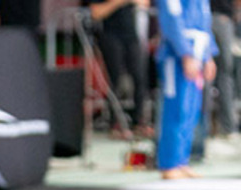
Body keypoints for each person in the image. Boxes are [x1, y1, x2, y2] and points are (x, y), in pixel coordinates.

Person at [156, 0, 218, 179]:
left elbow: (205, 23)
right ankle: (169, 163)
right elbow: (171, 20)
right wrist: (185, 53)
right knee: (176, 109)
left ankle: (181, 160)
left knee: (191, 110)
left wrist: (208, 56)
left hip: (198, 51)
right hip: (176, 55)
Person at [86, 0, 153, 137]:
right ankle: (115, 123)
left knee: (140, 77)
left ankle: (138, 121)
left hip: (131, 35)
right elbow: (96, 12)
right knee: (115, 79)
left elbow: (145, 3)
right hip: (110, 34)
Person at [206, 0, 237, 136]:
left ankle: (202, 129)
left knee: (205, 77)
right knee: (225, 76)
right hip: (221, 19)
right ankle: (228, 127)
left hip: (203, 19)